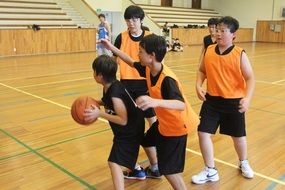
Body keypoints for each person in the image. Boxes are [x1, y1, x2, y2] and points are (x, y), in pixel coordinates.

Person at [100, 34, 199, 190]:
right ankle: (154, 168)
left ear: (152, 56)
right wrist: (110, 47)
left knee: (170, 171)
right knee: (146, 141)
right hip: (164, 123)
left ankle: (163, 171)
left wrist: (154, 102)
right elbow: (129, 61)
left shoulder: (167, 79)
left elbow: (180, 104)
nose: (138, 54)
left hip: (177, 127)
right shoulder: (148, 68)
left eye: (140, 51)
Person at [192, 16, 255, 184]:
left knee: (238, 137)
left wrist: (247, 98)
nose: (218, 34)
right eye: (217, 30)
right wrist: (198, 85)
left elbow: (250, 78)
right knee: (203, 133)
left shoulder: (239, 54)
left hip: (233, 102)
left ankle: (243, 162)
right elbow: (201, 70)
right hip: (212, 101)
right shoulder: (209, 50)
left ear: (233, 34)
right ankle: (210, 170)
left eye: (223, 31)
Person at [83, 55, 146, 189]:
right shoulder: (110, 86)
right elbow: (107, 101)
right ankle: (137, 170)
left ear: (99, 76)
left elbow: (122, 120)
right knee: (126, 152)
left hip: (130, 130)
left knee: (113, 162)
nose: (93, 74)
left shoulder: (115, 93)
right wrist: (95, 102)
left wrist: (100, 113)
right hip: (132, 126)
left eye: (93, 71)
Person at [113, 5, 159, 179]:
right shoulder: (121, 37)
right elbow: (114, 60)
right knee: (132, 125)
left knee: (152, 121)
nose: (130, 23)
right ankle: (139, 165)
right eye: (127, 20)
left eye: (134, 19)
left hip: (145, 84)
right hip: (127, 84)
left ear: (141, 20)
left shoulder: (149, 37)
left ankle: (156, 156)